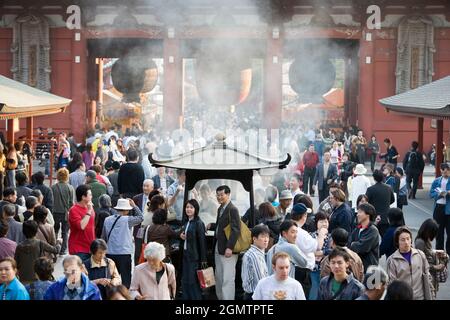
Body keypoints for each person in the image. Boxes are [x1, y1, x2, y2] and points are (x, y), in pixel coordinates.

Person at [206, 185, 241, 300]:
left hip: (228, 249)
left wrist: (230, 247)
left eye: (222, 194)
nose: (219, 197)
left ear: (228, 194)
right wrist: (212, 225)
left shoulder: (233, 209)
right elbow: (223, 227)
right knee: (219, 276)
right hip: (218, 247)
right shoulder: (220, 208)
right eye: (218, 195)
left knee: (228, 278)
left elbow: (236, 229)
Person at [102, 198, 143, 288]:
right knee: (126, 280)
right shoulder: (128, 220)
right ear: (126, 210)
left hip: (110, 252)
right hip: (124, 253)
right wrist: (134, 206)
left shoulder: (107, 219)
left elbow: (103, 237)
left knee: (111, 279)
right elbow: (141, 217)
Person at [386, 226, 433, 300]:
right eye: (403, 240)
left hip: (420, 297)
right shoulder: (392, 260)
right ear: (397, 242)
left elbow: (427, 277)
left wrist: (430, 295)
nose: (406, 242)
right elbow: (392, 284)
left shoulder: (420, 255)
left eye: (408, 239)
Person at [179, 199, 207, 300]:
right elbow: (184, 237)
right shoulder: (187, 222)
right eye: (187, 207)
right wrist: (181, 236)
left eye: (191, 207)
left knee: (193, 282)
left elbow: (202, 243)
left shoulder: (199, 223)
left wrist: (203, 260)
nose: (188, 209)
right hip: (185, 255)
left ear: (196, 209)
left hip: (194, 257)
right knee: (185, 281)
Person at [415, 218, 448, 299]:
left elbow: (427, 253)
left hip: (430, 276)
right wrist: (435, 267)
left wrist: (436, 252)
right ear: (427, 231)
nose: (433, 236)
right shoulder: (420, 242)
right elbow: (419, 262)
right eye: (433, 233)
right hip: (426, 277)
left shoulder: (425, 239)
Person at [348, 203, 380, 272]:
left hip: (370, 270)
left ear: (368, 214)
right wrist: (353, 244)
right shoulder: (357, 229)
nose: (357, 214)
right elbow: (348, 243)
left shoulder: (373, 230)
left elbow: (363, 247)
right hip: (357, 267)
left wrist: (352, 244)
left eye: (360, 212)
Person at [241, 224, 270, 300]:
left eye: (267, 236)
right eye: (263, 236)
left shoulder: (257, 253)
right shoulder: (254, 255)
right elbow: (261, 281)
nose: (266, 240)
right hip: (255, 295)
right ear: (254, 239)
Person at [68, 185, 96, 261]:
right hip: (79, 248)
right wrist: (89, 211)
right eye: (90, 194)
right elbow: (81, 226)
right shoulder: (74, 210)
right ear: (83, 197)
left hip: (91, 247)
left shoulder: (90, 207)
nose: (91, 196)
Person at [51, 168, 75, 255]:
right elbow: (72, 203)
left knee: (55, 230)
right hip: (66, 213)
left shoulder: (53, 187)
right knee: (65, 232)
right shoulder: (70, 188)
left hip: (55, 212)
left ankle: (54, 247)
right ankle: (63, 249)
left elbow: (51, 201)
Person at [366, 169, 395, 237]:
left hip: (373, 217)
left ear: (374, 178)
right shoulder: (388, 188)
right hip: (386, 216)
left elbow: (367, 201)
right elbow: (392, 200)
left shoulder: (370, 189)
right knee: (385, 237)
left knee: (371, 236)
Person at [429, 162, 450, 254]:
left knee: (449, 233)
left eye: (446, 172)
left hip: (448, 208)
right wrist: (439, 194)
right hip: (438, 208)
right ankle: (439, 252)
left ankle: (448, 252)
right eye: (443, 172)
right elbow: (431, 194)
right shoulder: (437, 181)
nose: (445, 173)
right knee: (439, 232)